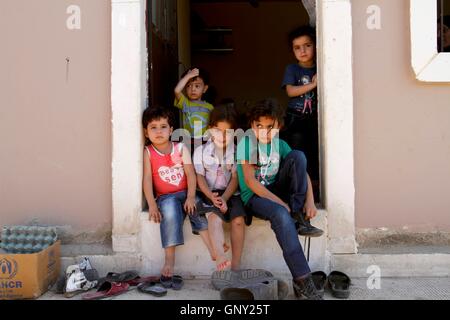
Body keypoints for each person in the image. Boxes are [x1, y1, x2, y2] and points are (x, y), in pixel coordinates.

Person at [236, 99, 322, 300]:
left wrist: (309, 200)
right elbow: (250, 181)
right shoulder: (246, 143)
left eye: (270, 127)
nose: (264, 132)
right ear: (252, 126)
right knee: (281, 214)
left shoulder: (280, 144)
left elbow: (303, 172)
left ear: (279, 126)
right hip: (255, 197)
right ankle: (302, 281)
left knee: (298, 156)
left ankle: (299, 216)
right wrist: (280, 203)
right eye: (259, 126)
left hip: (276, 190)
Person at [142, 107, 215, 280]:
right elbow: (146, 179)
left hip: (185, 192)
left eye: (163, 126)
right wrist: (152, 204)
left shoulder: (181, 148)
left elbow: (191, 174)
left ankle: (213, 248)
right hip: (166, 197)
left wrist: (190, 196)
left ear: (171, 130)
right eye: (153, 127)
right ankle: (169, 260)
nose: (159, 131)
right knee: (169, 211)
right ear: (146, 132)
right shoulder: (148, 152)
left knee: (197, 205)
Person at [193, 105, 248, 271]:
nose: (222, 136)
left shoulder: (237, 151)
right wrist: (211, 196)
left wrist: (225, 198)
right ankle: (220, 256)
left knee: (238, 220)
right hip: (209, 192)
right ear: (210, 129)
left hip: (232, 192)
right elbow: (200, 178)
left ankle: (236, 265)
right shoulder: (200, 151)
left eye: (228, 131)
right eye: (218, 130)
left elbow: (235, 178)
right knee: (213, 219)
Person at [280, 25, 320, 204]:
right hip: (296, 119)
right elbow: (290, 91)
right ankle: (298, 194)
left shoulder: (321, 67)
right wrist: (312, 85)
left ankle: (314, 195)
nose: (302, 51)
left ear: (316, 46)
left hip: (315, 120)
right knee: (298, 155)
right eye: (297, 47)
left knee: (315, 156)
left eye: (307, 45)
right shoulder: (292, 69)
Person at [174, 67, 214, 151]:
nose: (193, 89)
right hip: (189, 141)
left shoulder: (210, 107)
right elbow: (177, 90)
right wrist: (188, 76)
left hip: (205, 141)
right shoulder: (185, 103)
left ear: (205, 89)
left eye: (197, 86)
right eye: (188, 85)